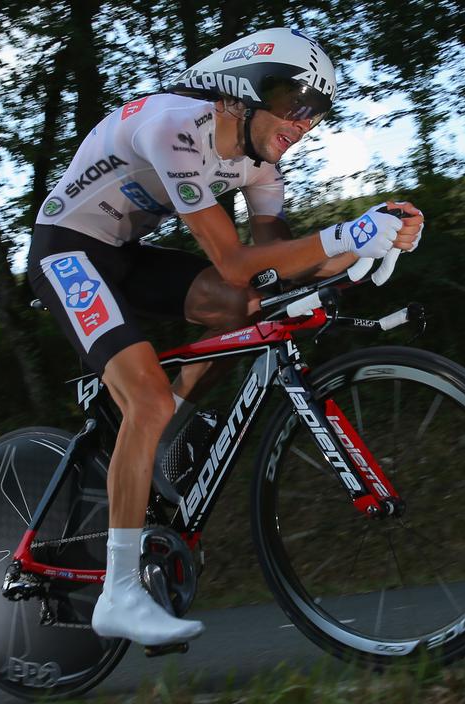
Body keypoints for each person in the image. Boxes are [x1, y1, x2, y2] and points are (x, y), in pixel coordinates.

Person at [25, 28, 425, 646]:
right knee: (147, 397)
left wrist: (370, 239)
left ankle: (168, 436)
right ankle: (119, 594)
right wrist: (344, 236)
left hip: (127, 251)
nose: (305, 122)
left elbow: (269, 268)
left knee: (249, 309)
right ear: (242, 93)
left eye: (317, 111)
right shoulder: (172, 128)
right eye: (295, 102)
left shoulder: (261, 161)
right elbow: (234, 259)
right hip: (69, 248)